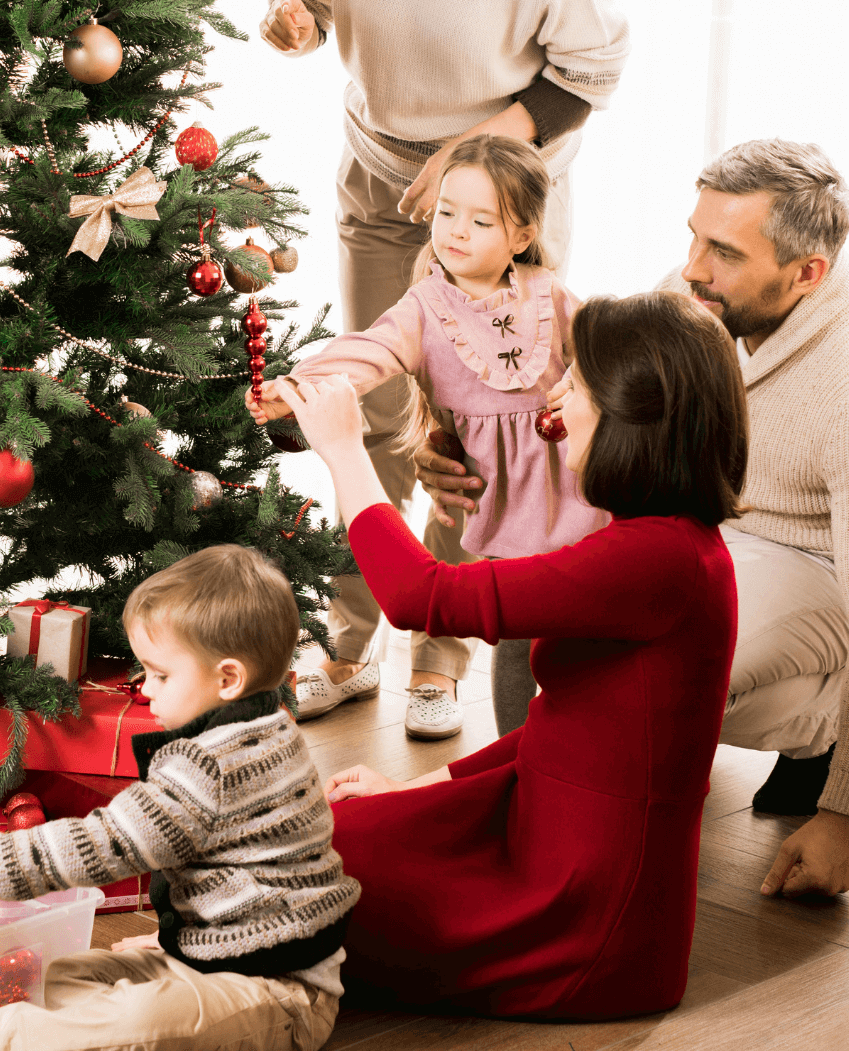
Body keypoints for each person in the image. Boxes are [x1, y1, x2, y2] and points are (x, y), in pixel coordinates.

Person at [260, 0, 629, 739]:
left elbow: (592, 69)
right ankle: (350, 633)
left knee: (482, 434)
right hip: (385, 188)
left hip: (500, 199)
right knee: (373, 413)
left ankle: (442, 651)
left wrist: (484, 150)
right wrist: (294, 21)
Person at [285, 292, 744, 1018]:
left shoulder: (659, 560)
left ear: (633, 417)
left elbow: (419, 595)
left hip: (579, 914)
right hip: (540, 835)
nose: (558, 394)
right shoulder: (659, 540)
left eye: (580, 384)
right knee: (315, 839)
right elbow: (568, 726)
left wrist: (344, 449)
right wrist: (418, 789)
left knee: (296, 880)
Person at [421, 137, 849, 898]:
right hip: (687, 528)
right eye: (693, 235)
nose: (690, 267)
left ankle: (586, 827)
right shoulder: (694, 304)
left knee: (634, 665)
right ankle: (525, 797)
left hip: (814, 563)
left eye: (723, 251)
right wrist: (448, 441)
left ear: (808, 274)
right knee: (539, 586)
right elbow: (558, 403)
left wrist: (846, 814)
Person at [0, 543, 358, 1051]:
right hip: (209, 956)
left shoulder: (215, 765)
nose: (145, 689)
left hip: (280, 993)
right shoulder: (263, 728)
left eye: (160, 675)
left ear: (227, 679)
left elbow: (104, 844)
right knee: (60, 975)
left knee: (143, 1018)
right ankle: (49, 1028)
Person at [247, 134, 606, 735]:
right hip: (493, 502)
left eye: (481, 221)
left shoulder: (548, 293)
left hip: (572, 490)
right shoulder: (424, 307)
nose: (456, 231)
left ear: (520, 237)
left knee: (578, 627)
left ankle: (587, 738)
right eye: (446, 213)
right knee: (513, 634)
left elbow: (604, 350)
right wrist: (298, 385)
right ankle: (514, 753)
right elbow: (370, 350)